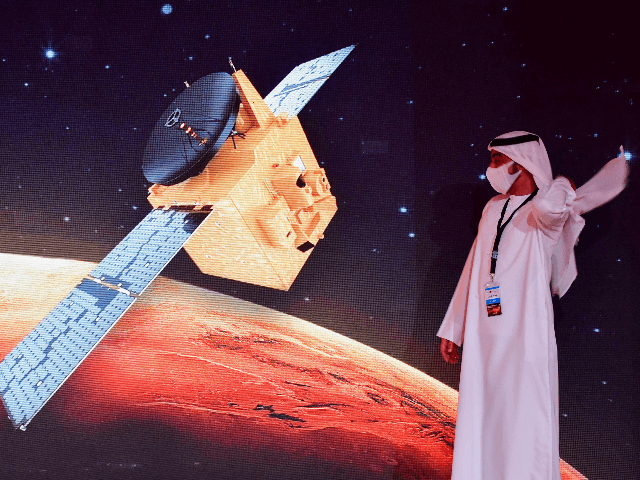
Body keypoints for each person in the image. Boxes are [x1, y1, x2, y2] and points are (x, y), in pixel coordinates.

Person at [437, 131, 629, 480]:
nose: (490, 168)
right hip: (486, 331)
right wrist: (456, 328)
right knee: (482, 414)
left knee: (523, 414)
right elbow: (473, 265)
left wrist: (562, 181)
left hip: (525, 331)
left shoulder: (546, 211)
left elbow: (551, 205)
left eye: (496, 159)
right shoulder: (492, 207)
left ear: (520, 162)